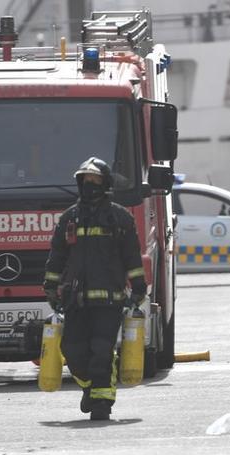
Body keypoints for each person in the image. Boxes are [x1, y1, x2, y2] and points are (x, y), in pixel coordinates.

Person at [43, 157, 148, 420]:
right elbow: (57, 256)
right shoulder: (70, 218)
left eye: (95, 181)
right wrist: (51, 287)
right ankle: (90, 388)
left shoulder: (120, 218)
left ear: (106, 184)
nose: (89, 185)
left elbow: (132, 258)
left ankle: (102, 404)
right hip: (75, 300)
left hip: (109, 301)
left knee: (102, 351)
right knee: (73, 351)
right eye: (85, 180)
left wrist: (138, 286)